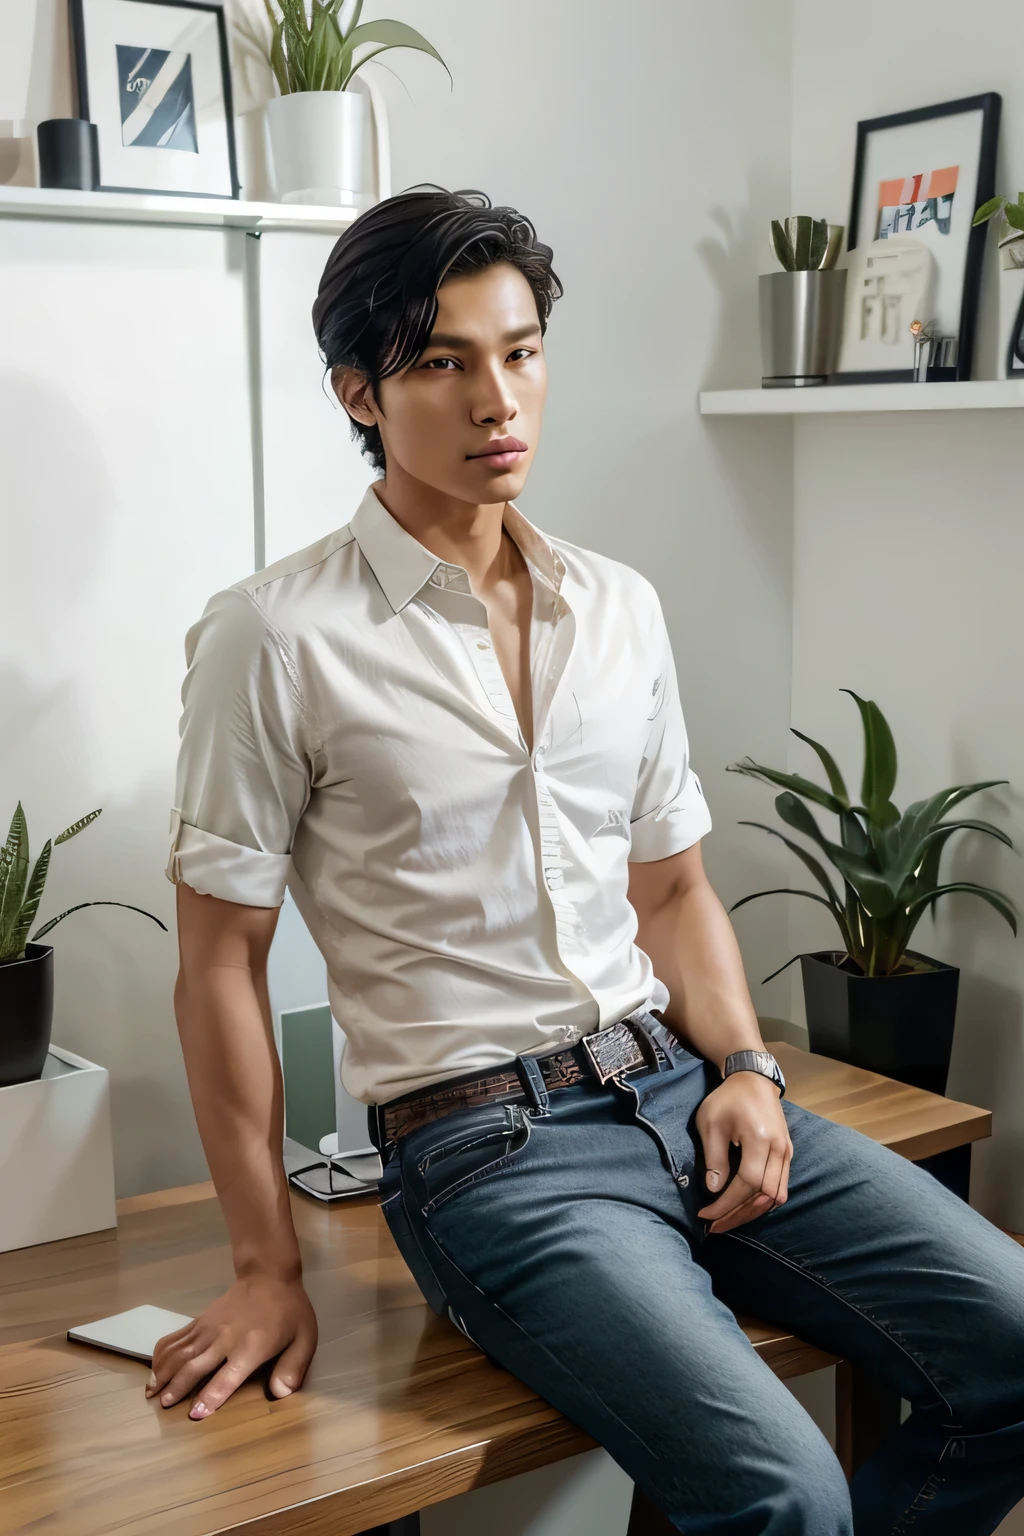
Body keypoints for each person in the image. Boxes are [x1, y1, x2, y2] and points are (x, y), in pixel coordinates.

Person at [154, 185, 1024, 1535]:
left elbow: (670, 886)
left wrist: (745, 1068)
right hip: (486, 1156)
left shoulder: (618, 606)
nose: (496, 398)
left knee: (1013, 1347)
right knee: (784, 1498)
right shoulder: (273, 636)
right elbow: (220, 960)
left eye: (520, 351)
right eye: (443, 362)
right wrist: (267, 1264)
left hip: (678, 1083)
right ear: (360, 392)